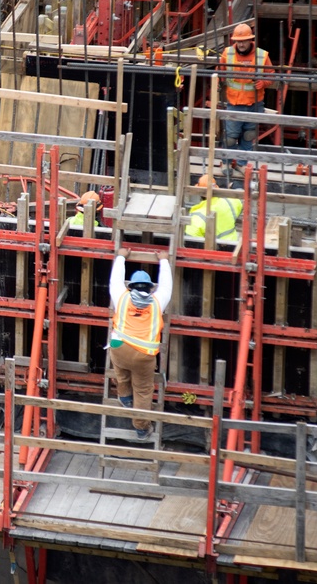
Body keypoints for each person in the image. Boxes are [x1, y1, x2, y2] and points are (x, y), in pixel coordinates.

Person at [108, 247, 173, 440]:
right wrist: (164, 260)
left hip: (119, 348)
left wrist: (121, 256)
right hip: (144, 355)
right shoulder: (157, 301)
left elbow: (115, 279)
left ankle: (125, 396)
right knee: (143, 391)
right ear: (149, 288)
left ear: (132, 286)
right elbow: (167, 286)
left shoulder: (121, 297)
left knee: (121, 369)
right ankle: (141, 428)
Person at [219, 23, 274, 178]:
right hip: (234, 103)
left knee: (248, 136)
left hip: (255, 103)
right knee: (230, 136)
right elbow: (220, 73)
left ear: (251, 40)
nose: (241, 44)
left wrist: (263, 82)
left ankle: (242, 164)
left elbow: (271, 74)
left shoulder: (262, 56)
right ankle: (226, 162)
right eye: (238, 41)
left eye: (244, 41)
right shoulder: (227, 54)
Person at [184, 174, 243, 243]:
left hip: (213, 251)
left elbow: (190, 241)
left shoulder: (197, 216)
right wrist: (233, 185)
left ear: (200, 194)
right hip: (233, 245)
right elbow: (241, 194)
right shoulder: (229, 202)